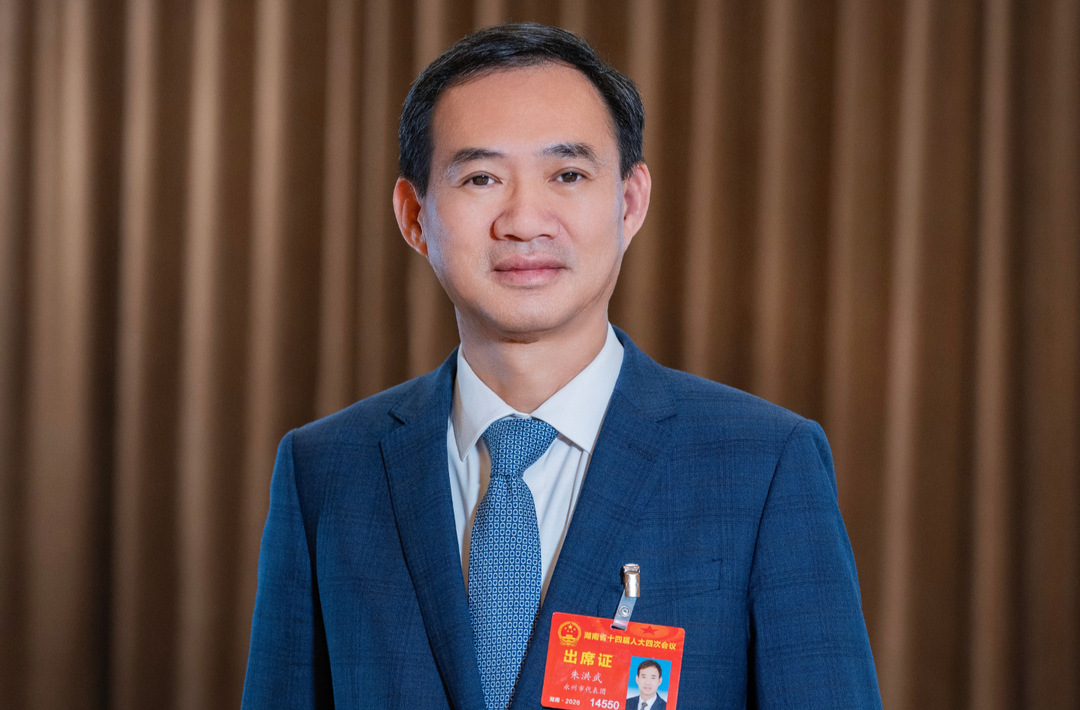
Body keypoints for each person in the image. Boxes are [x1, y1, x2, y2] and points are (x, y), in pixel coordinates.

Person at [241, 22, 882, 710]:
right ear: (414, 215)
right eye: (481, 178)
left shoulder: (762, 465)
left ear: (630, 202)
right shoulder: (325, 471)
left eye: (568, 175)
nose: (524, 221)